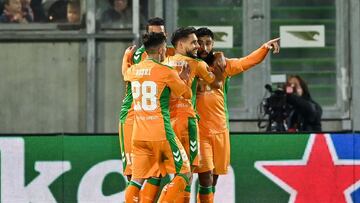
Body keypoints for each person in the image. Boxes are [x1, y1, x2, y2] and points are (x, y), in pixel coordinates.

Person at [194, 27, 280, 202]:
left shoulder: (222, 66)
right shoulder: (189, 65)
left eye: (208, 43)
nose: (204, 47)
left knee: (214, 179)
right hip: (199, 131)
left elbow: (246, 62)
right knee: (205, 177)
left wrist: (264, 47)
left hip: (220, 130)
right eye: (200, 43)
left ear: (213, 44)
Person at [124, 32, 192, 203]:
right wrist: (184, 79)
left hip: (138, 136)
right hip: (161, 134)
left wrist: (126, 57)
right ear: (162, 49)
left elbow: (125, 73)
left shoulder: (133, 70)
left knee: (136, 181)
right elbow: (186, 94)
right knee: (184, 172)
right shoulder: (166, 71)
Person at [161, 26, 224, 203]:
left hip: (166, 124)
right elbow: (217, 84)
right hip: (187, 122)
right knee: (188, 172)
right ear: (181, 44)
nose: (198, 46)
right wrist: (218, 58)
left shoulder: (165, 63)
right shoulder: (197, 64)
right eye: (194, 42)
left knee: (178, 172)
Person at [119, 17, 175, 202]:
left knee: (156, 170)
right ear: (146, 36)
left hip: (154, 119)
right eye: (153, 34)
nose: (157, 36)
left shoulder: (170, 53)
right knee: (134, 173)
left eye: (160, 33)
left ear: (165, 34)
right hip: (132, 116)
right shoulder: (141, 55)